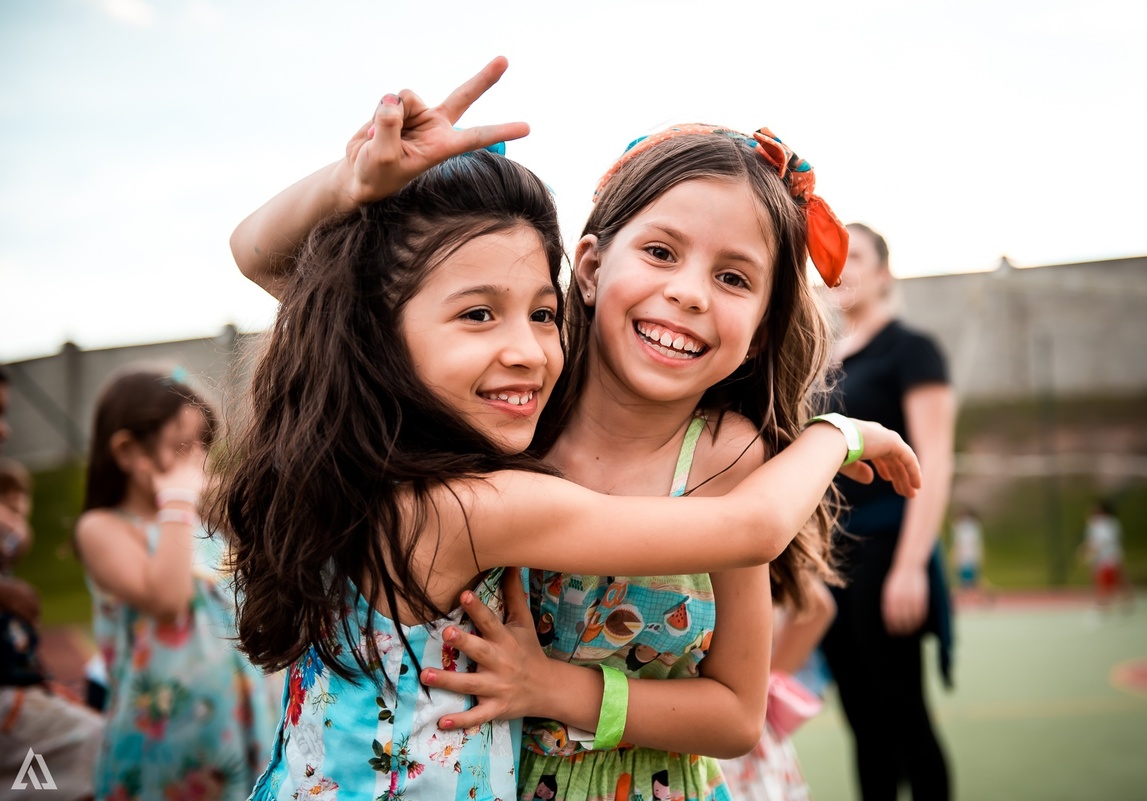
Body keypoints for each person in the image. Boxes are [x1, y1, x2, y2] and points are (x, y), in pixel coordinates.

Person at [222, 60, 922, 801]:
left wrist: (556, 688)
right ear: (588, 266)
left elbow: (737, 713)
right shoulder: (504, 423)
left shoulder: (712, 451)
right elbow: (325, 286)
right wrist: (836, 433)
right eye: (660, 251)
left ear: (761, 328)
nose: (686, 292)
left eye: (734, 277)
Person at [74, 367, 276, 800]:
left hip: (234, 726)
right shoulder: (104, 528)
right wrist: (178, 500)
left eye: (203, 444)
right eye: (181, 446)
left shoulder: (198, 523)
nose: (197, 460)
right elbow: (168, 600)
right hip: (161, 741)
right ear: (128, 452)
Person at [820, 222, 955, 801]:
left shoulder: (911, 349)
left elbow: (936, 461)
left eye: (858, 256)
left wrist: (909, 565)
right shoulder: (822, 362)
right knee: (862, 724)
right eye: (835, 256)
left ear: (884, 273)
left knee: (904, 715)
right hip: (833, 558)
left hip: (889, 548)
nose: (843, 267)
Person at [0, 399, 103, 800]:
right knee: (98, 748)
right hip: (9, 696)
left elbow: (16, 542)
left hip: (17, 678)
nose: (6, 429)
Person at [717, 575, 834, 800]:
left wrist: (759, 686)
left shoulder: (729, 544)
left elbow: (817, 606)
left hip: (721, 748)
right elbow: (818, 607)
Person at [1082, 500, 1132, 613]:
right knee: (1115, 580)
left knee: (1110, 581)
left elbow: (1102, 541)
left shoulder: (1106, 523)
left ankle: (1107, 604)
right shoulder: (1097, 523)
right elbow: (1092, 540)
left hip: (1108, 557)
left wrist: (1090, 551)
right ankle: (1121, 601)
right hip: (1105, 557)